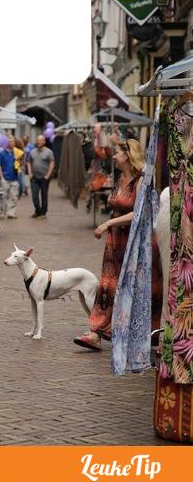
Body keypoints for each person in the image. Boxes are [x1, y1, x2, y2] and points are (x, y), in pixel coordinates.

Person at [73, 139, 163, 351]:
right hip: (116, 242)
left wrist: (107, 223)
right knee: (108, 287)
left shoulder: (142, 180)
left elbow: (141, 213)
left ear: (128, 155)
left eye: (117, 153)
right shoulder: (119, 178)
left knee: (139, 287)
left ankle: (144, 332)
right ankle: (96, 332)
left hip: (137, 242)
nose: (113, 156)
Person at [27, 134, 55, 218]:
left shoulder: (49, 152)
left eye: (40, 140)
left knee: (44, 195)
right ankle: (38, 211)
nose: (38, 142)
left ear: (44, 141)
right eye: (37, 140)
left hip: (44, 177)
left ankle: (43, 213)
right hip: (34, 177)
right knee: (34, 196)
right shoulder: (32, 151)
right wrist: (30, 173)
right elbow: (28, 162)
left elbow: (52, 163)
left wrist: (48, 175)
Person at [0, 135, 20, 218]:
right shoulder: (2, 153)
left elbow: (20, 164)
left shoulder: (17, 153)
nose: (12, 143)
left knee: (13, 197)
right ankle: (1, 212)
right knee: (3, 196)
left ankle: (11, 213)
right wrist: (2, 177)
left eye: (13, 141)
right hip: (5, 178)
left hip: (14, 179)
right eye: (10, 141)